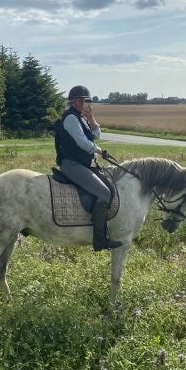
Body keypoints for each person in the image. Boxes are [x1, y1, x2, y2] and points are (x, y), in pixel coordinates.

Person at [54, 85, 122, 251]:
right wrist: (100, 150)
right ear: (72, 101)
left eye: (84, 100)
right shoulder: (70, 118)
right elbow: (83, 143)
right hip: (71, 164)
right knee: (104, 193)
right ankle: (99, 240)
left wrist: (91, 119)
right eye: (79, 100)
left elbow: (96, 135)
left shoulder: (81, 118)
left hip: (81, 163)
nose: (82, 103)